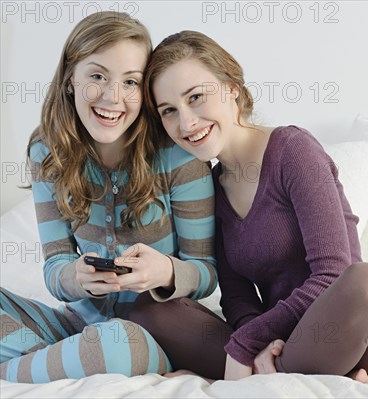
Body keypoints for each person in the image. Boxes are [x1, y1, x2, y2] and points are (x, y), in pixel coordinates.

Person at [130, 30, 368, 383]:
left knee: (366, 281)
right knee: (150, 307)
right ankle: (287, 374)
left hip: (347, 331)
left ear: (232, 86)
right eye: (169, 111)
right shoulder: (209, 188)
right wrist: (260, 340)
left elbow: (332, 273)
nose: (186, 123)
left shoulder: (293, 151)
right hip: (282, 343)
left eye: (196, 97)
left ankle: (260, 375)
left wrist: (245, 344)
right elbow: (236, 295)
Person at [0, 14, 217, 383]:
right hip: (75, 326)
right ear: (71, 78)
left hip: (151, 335)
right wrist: (77, 277)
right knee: (99, 342)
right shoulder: (46, 151)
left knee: (115, 344)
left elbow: (207, 272)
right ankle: (65, 361)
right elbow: (56, 266)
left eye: (130, 82)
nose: (112, 97)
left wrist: (163, 271)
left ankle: (22, 369)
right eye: (98, 76)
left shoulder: (178, 155)